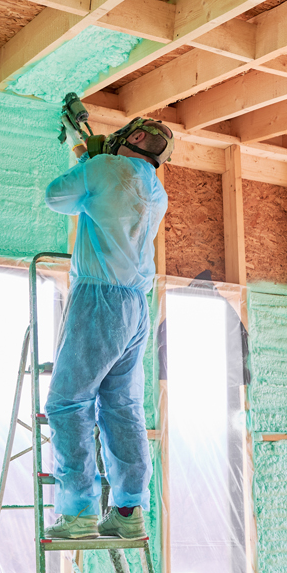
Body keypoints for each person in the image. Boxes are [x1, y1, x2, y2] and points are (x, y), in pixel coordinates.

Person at [41, 118, 174, 540]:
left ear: (135, 138)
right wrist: (96, 162)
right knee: (121, 406)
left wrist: (92, 161)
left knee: (67, 403)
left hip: (99, 300)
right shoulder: (156, 189)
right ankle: (128, 511)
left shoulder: (103, 169)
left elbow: (56, 197)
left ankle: (78, 512)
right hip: (137, 305)